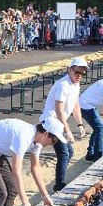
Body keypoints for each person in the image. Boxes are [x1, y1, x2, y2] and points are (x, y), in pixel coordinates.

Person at [41, 58, 87, 191]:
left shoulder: (76, 84)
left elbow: (75, 105)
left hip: (58, 123)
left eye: (83, 74)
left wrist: (80, 124)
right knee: (64, 153)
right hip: (50, 122)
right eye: (77, 72)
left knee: (69, 152)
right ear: (70, 69)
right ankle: (59, 185)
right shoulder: (63, 85)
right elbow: (58, 109)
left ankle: (60, 178)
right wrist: (67, 131)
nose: (80, 76)